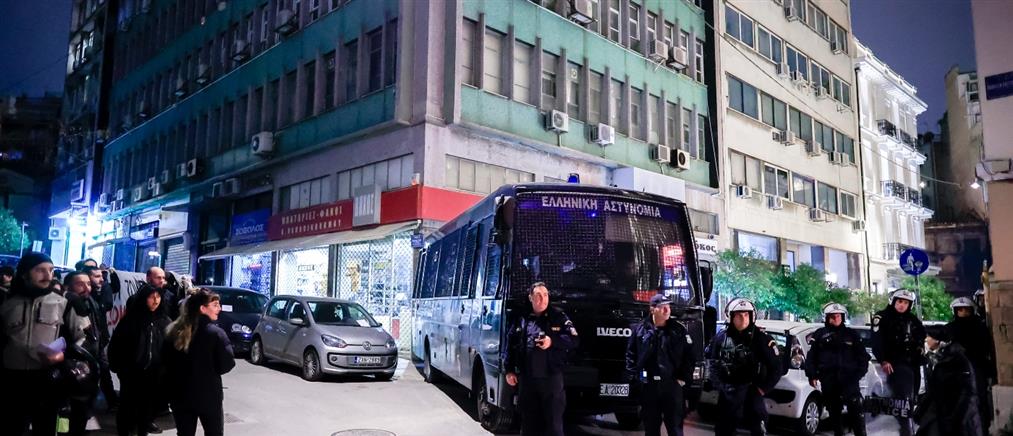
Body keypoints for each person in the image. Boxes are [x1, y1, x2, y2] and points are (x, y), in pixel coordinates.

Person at [0, 252, 68, 436]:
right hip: (12, 380)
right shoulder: (6, 302)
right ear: (24, 273)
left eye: (51, 270)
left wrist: (62, 356)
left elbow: (80, 341)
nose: (48, 275)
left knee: (45, 428)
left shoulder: (64, 303)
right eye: (40, 270)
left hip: (46, 379)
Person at [502, 282, 578, 436]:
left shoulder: (558, 316)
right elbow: (510, 344)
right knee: (529, 426)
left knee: (553, 427)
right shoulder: (522, 318)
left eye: (545, 295)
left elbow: (574, 340)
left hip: (551, 381)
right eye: (538, 295)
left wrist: (552, 341)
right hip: (528, 381)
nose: (542, 299)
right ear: (531, 298)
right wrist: (509, 370)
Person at [163, 289, 236, 436]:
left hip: (180, 395)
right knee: (214, 432)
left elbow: (165, 361)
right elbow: (227, 363)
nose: (219, 308)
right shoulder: (215, 333)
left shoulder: (175, 331)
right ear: (202, 308)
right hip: (208, 395)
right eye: (215, 305)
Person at [706, 297, 782, 436]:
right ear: (731, 317)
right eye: (739, 315)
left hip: (752, 392)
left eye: (746, 315)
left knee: (758, 429)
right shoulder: (721, 338)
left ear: (752, 316)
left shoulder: (762, 339)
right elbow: (713, 362)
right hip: (729, 393)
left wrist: (762, 389)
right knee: (723, 430)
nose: (743, 319)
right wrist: (719, 385)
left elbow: (776, 368)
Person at [625, 294, 694, 436]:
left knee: (675, 429)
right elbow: (631, 355)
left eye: (668, 307)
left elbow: (689, 357)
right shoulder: (640, 330)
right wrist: (636, 380)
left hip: (672, 386)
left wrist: (682, 378)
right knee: (651, 428)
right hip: (649, 386)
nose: (667, 310)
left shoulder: (678, 330)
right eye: (662, 307)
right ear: (652, 309)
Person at [109, 285, 171, 436]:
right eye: (151, 297)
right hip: (131, 373)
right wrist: (119, 368)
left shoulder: (165, 321)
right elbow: (116, 345)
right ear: (143, 299)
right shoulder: (130, 320)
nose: (155, 300)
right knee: (127, 406)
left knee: (147, 408)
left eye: (158, 296)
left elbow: (170, 348)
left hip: (154, 374)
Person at [805, 302, 870, 436]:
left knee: (856, 409)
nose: (836, 319)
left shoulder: (851, 334)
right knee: (834, 413)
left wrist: (858, 374)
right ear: (827, 318)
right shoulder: (820, 335)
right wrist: (812, 375)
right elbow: (811, 357)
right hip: (829, 380)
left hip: (849, 380)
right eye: (832, 316)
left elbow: (863, 357)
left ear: (843, 317)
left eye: (838, 316)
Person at [871, 288, 926, 436]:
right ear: (893, 301)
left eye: (906, 303)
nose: (902, 305)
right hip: (895, 363)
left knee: (911, 399)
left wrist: (920, 346)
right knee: (902, 400)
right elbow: (876, 341)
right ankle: (905, 430)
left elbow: (922, 335)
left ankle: (907, 427)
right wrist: (883, 360)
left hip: (913, 363)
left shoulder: (912, 319)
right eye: (900, 301)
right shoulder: (882, 317)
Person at [914, 326, 982, 436]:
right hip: (941, 416)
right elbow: (933, 390)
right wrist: (920, 411)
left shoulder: (958, 360)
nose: (925, 339)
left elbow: (968, 393)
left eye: (928, 336)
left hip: (958, 419)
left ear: (937, 340)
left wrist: (955, 419)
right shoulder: (936, 359)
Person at [946, 297, 996, 433]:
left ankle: (983, 428)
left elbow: (985, 347)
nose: (963, 312)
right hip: (957, 370)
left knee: (979, 399)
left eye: (966, 310)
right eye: (960, 310)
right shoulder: (951, 327)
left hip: (977, 367)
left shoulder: (979, 327)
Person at [62, 271, 104, 436]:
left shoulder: (90, 302)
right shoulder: (72, 303)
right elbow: (81, 337)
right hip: (72, 367)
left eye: (88, 283)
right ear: (68, 286)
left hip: (86, 366)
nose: (87, 287)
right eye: (80, 284)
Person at [82, 265, 119, 410]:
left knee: (103, 370)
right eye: (97, 276)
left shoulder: (100, 293)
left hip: (99, 338)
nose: (102, 279)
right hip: (85, 343)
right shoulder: (80, 300)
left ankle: (111, 400)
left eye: (102, 276)